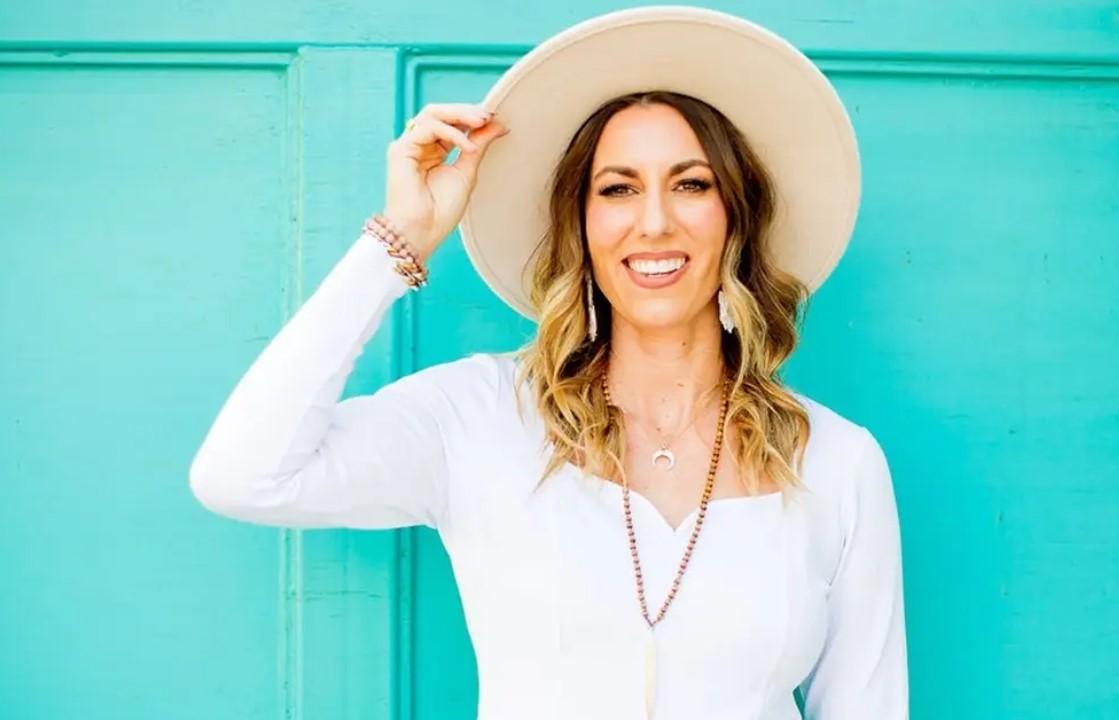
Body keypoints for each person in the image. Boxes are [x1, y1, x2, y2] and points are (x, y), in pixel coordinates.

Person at [189, 6, 908, 719]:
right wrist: (399, 240)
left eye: (692, 184)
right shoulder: (477, 417)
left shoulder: (838, 463)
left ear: (736, 220)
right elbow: (243, 475)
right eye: (617, 188)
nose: (653, 221)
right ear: (582, 225)